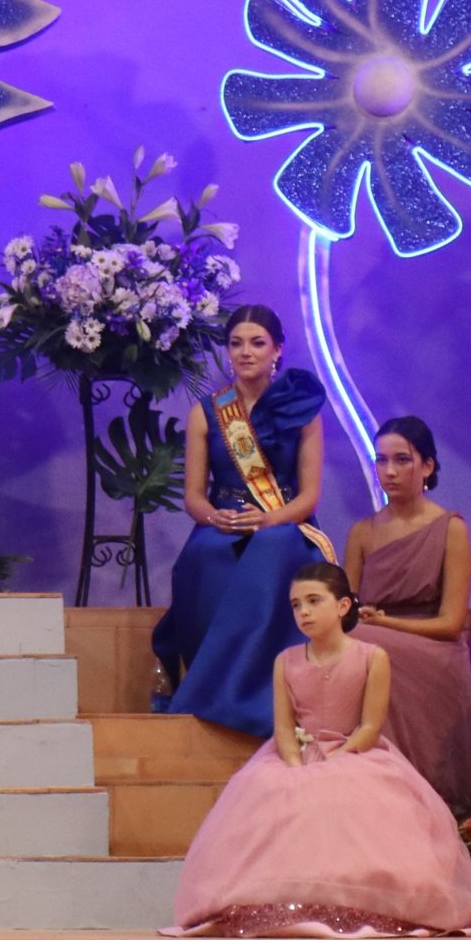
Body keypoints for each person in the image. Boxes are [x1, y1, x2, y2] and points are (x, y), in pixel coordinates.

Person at [165, 563, 471, 937]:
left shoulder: (372, 657)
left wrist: (337, 760)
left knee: (344, 799)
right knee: (275, 793)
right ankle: (282, 898)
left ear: (342, 606)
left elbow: (370, 726)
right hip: (297, 755)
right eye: (296, 605)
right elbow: (283, 727)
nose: (303, 612)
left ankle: (356, 899)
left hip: (353, 752)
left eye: (313, 601)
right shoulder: (286, 661)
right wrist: (295, 765)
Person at [151, 304, 329, 736]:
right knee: (203, 558)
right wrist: (215, 517)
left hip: (284, 523)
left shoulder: (302, 409)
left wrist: (270, 519)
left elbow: (309, 495)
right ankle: (210, 689)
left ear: (277, 350)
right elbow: (194, 497)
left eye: (257, 343)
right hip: (223, 526)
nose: (246, 352)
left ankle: (265, 697)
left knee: (271, 547)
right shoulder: (207, 412)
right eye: (236, 343)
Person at [342, 416, 471, 814]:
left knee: (364, 643)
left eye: (402, 460)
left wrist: (384, 623)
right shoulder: (362, 533)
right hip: (372, 638)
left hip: (433, 649)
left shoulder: (450, 528)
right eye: (381, 460)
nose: (390, 471)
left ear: (427, 466)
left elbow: (452, 624)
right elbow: (345, 613)